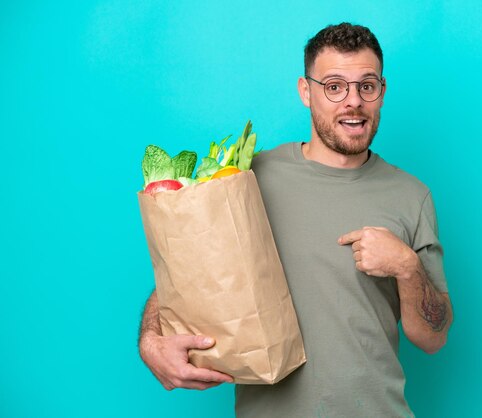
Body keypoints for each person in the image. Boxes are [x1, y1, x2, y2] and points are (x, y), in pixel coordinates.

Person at [139, 22, 453, 417]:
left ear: (382, 93)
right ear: (306, 92)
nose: (353, 101)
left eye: (366, 86)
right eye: (334, 86)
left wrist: (408, 267)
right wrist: (151, 341)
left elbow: (433, 338)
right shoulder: (250, 178)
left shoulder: (413, 196)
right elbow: (186, 280)